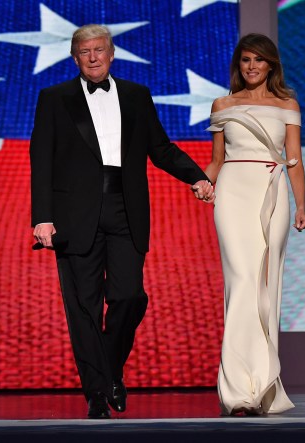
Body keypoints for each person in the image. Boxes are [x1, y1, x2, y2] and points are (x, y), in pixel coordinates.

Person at [30, 24, 213, 419]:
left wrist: (197, 176)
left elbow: (160, 148)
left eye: (99, 49)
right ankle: (97, 393)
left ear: (112, 54)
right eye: (84, 51)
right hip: (73, 216)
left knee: (130, 297)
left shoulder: (136, 95)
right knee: (84, 308)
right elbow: (40, 159)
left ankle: (110, 368)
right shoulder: (54, 98)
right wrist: (42, 218)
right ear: (74, 58)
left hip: (126, 208)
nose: (93, 57)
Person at [203, 33, 305, 416]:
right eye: (246, 60)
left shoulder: (287, 105)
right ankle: (237, 391)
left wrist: (301, 205)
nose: (251, 67)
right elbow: (216, 160)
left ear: (271, 66)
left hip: (273, 190)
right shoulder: (222, 104)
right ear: (239, 64)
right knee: (242, 281)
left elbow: (293, 158)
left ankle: (261, 386)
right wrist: (204, 181)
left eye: (259, 60)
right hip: (232, 192)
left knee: (265, 284)